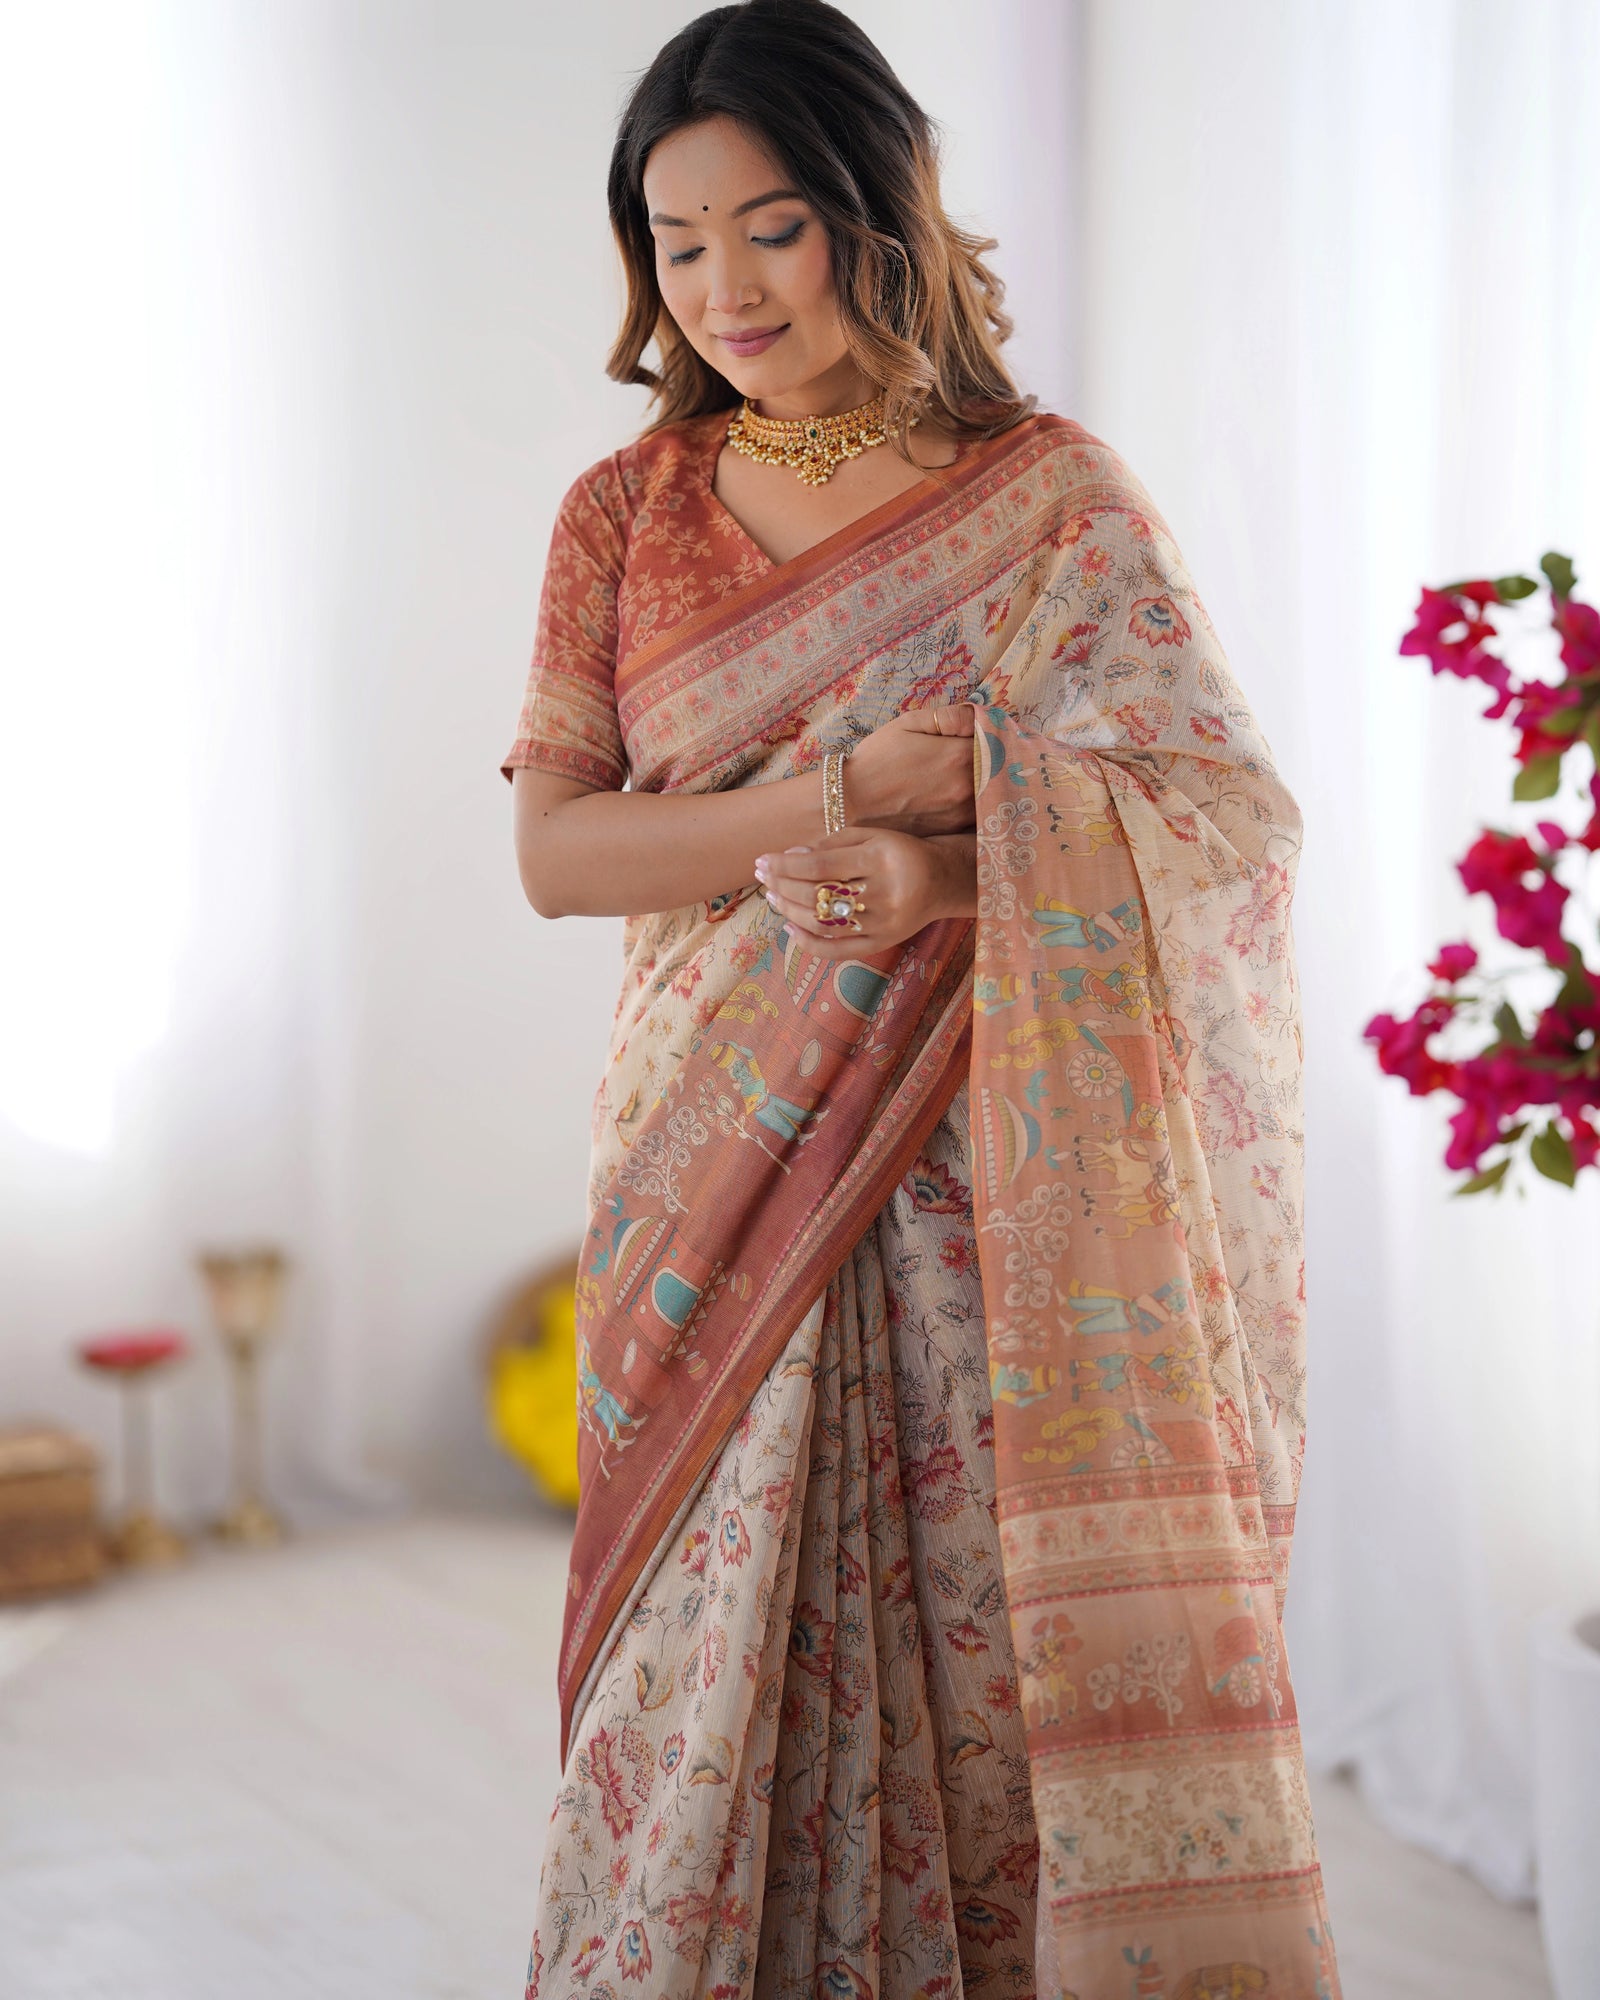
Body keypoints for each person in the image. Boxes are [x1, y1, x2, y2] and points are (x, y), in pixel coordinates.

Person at [503, 5, 1342, 1995]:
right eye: (675, 238)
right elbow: (556, 854)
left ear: (875, 213)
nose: (719, 288)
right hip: (702, 1186)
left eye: (766, 227)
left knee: (981, 1674)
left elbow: (1218, 825)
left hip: (988, 1191)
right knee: (690, 1674)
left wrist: (939, 873)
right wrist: (841, 795)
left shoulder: (1047, 501)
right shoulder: (623, 517)